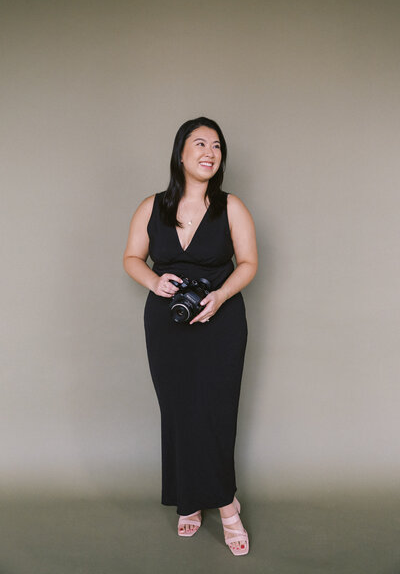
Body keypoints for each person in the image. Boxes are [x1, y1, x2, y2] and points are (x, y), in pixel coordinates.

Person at [123, 116, 258, 556]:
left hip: (221, 321)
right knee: (179, 412)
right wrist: (152, 282)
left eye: (217, 146)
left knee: (216, 413)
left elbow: (249, 263)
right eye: (199, 143)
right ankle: (189, 500)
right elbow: (131, 257)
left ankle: (226, 505)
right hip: (168, 324)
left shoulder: (231, 207)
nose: (209, 152)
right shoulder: (151, 206)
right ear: (180, 152)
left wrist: (219, 296)